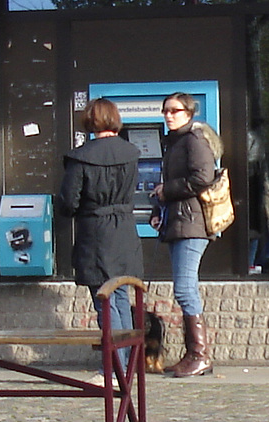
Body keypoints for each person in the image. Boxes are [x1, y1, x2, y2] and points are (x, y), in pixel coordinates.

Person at [58, 98, 144, 387]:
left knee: (103, 302)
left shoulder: (82, 157)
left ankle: (113, 371)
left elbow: (68, 201)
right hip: (125, 231)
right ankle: (127, 367)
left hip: (95, 232)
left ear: (90, 121)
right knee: (120, 298)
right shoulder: (131, 153)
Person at [149, 92, 223, 378]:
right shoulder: (175, 142)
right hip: (178, 222)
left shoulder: (194, 140)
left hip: (193, 225)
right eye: (165, 110)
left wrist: (168, 191)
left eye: (175, 110)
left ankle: (199, 354)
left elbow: (203, 178)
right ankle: (193, 354)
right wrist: (160, 208)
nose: (169, 115)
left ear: (189, 113)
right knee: (184, 287)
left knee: (184, 288)